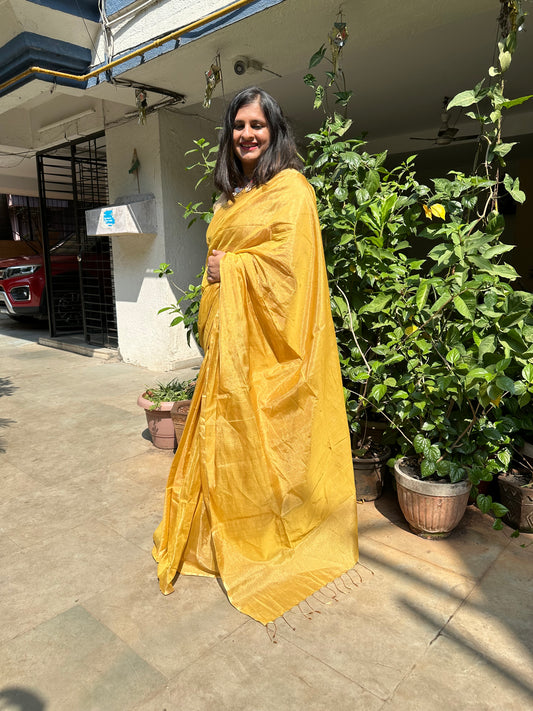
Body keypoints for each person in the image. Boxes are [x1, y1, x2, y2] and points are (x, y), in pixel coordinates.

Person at [152, 87, 358, 625]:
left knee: (274, 440)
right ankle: (226, 529)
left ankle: (272, 535)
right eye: (239, 125)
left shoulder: (292, 191)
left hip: (274, 349)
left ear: (275, 132)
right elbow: (219, 258)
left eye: (257, 126)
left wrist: (235, 270)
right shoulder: (232, 197)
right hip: (231, 342)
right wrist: (224, 277)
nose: (247, 134)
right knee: (232, 437)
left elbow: (295, 274)